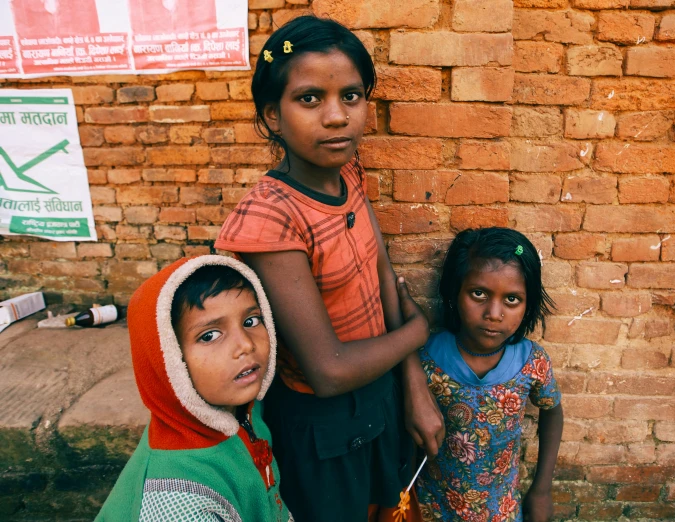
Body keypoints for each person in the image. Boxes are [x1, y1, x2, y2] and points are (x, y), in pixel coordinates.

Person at [214, 15, 444, 522]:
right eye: (310, 98)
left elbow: (380, 268)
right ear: (273, 115)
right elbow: (329, 370)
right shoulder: (271, 219)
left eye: (352, 96)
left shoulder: (347, 171)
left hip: (380, 401)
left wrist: (414, 385)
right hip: (324, 432)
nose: (337, 117)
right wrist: (419, 331)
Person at [96, 255, 291, 522]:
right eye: (209, 335)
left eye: (251, 321)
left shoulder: (244, 411)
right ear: (168, 360)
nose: (245, 344)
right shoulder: (180, 506)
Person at [416, 228, 564, 522]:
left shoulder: (531, 362)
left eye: (511, 299)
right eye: (479, 294)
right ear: (455, 292)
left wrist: (542, 489)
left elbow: (553, 412)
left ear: (527, 304)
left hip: (501, 509)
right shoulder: (428, 358)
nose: (494, 313)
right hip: (433, 507)